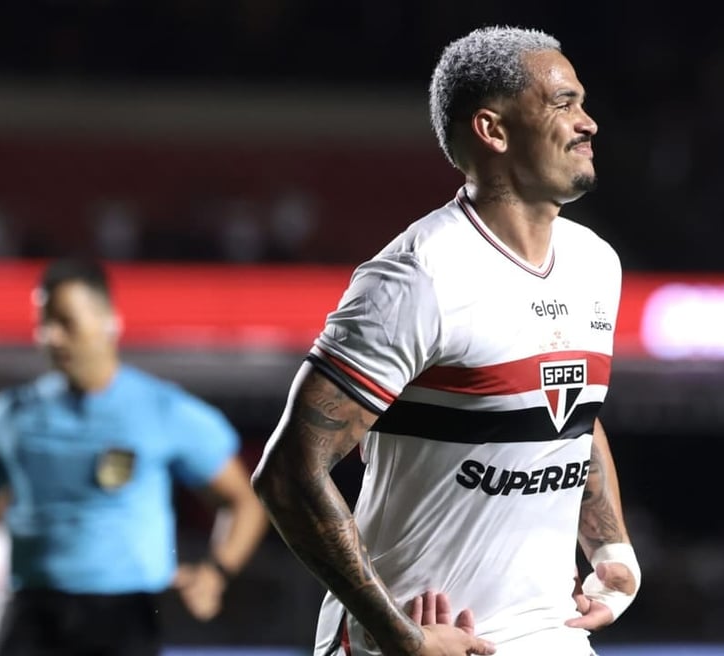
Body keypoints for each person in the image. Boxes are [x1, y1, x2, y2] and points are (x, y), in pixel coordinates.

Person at [252, 25, 641, 656]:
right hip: (419, 636)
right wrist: (397, 635)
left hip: (549, 633)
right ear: (492, 130)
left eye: (583, 103)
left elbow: (566, 414)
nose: (588, 122)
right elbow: (290, 472)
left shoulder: (595, 262)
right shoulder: (417, 278)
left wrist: (612, 549)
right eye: (563, 103)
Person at [0, 258, 269, 656]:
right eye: (44, 323)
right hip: (32, 611)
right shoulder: (13, 414)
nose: (51, 337)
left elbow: (243, 500)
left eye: (65, 322)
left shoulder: (161, 409)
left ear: (108, 322)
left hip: (125, 616)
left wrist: (216, 572)